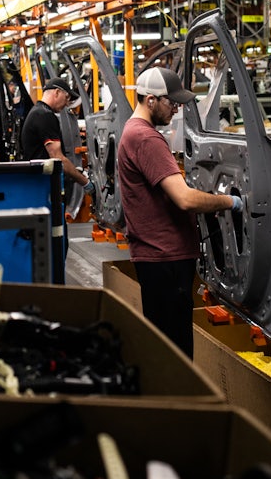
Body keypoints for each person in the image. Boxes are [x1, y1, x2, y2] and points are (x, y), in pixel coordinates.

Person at [117, 66, 242, 358]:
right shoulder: (146, 138)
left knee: (166, 347)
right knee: (175, 353)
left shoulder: (132, 131)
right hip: (165, 258)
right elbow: (184, 199)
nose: (175, 109)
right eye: (171, 102)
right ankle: (177, 401)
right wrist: (228, 202)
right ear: (150, 100)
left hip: (157, 255)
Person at [20, 76, 93, 194]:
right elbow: (57, 157)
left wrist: (74, 170)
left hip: (38, 182)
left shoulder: (37, 111)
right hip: (42, 185)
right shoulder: (45, 115)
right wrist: (85, 182)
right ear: (57, 92)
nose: (67, 103)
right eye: (67, 97)